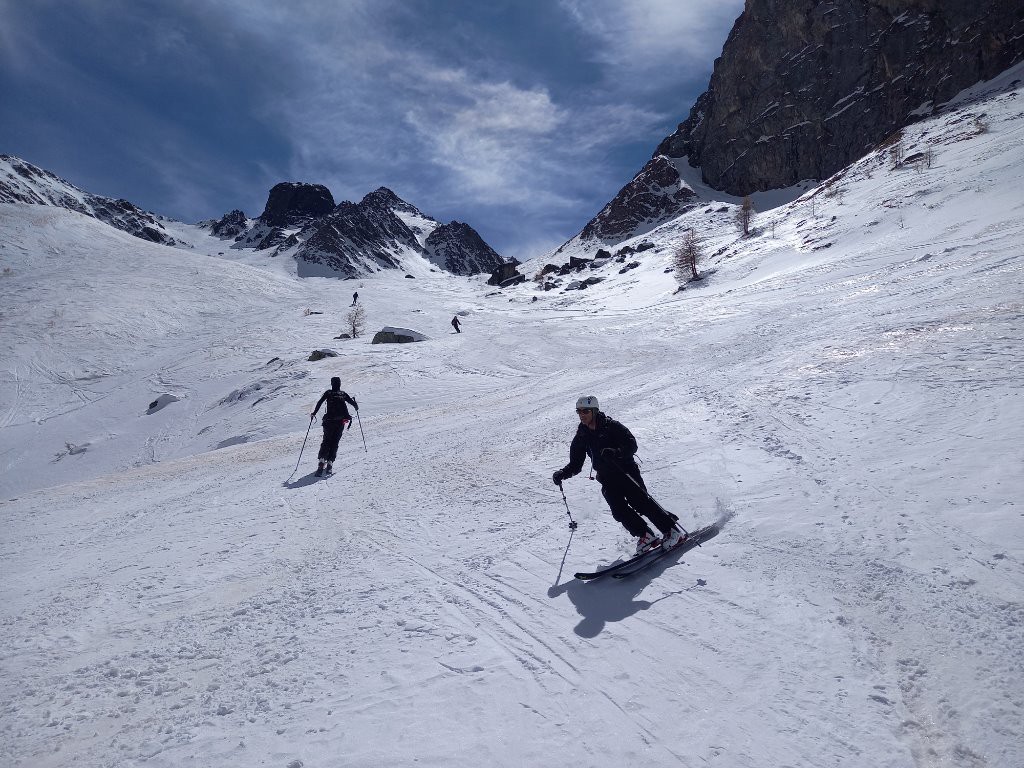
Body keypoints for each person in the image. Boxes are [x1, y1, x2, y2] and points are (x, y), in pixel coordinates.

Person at [552, 396, 685, 554]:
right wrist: (563, 473)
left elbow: (631, 444)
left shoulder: (611, 426)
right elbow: (576, 464)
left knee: (641, 502)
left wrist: (616, 452)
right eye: (579, 411)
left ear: (594, 411)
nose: (582, 414)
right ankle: (646, 535)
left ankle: (672, 531)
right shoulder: (581, 436)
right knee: (618, 510)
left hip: (626, 471)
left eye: (585, 411)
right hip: (607, 478)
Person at [310, 377, 358, 476]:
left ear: (332, 384)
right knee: (335, 442)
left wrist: (314, 413)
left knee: (326, 440)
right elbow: (353, 404)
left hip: (328, 421)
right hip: (340, 422)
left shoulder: (328, 393)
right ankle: (330, 463)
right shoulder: (343, 394)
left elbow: (319, 403)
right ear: (339, 384)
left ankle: (322, 461)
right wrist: (355, 405)